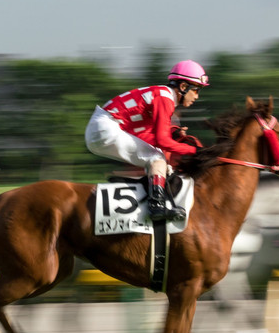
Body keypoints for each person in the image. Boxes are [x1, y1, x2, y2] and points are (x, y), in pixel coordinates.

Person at [85, 60, 208, 221]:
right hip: (105, 128)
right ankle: (156, 207)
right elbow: (162, 141)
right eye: (196, 90)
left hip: (101, 127)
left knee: (158, 159)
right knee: (157, 159)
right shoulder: (166, 99)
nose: (197, 97)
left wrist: (174, 134)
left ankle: (152, 196)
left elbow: (149, 135)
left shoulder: (162, 94)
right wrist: (194, 151)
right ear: (183, 87)